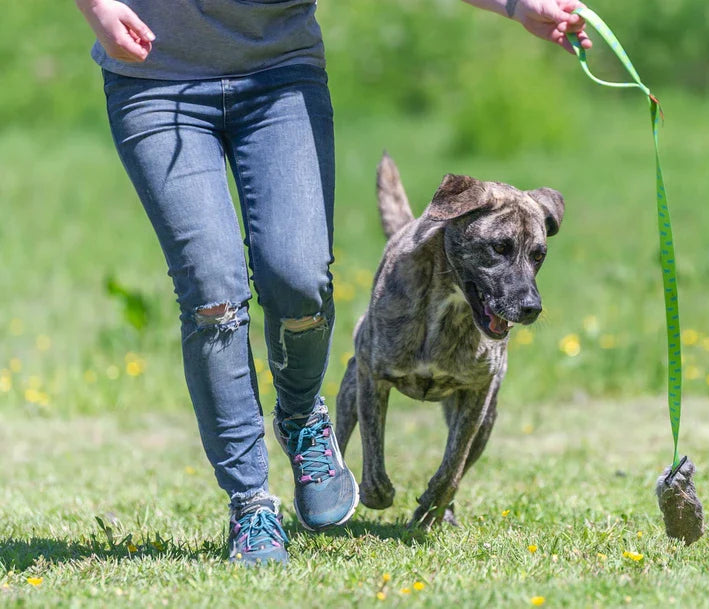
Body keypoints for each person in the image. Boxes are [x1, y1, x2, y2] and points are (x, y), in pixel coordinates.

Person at [75, 0, 591, 567]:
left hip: (278, 78)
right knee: (212, 297)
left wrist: (516, 4)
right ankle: (251, 504)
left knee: (299, 280)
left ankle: (301, 418)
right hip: (155, 78)